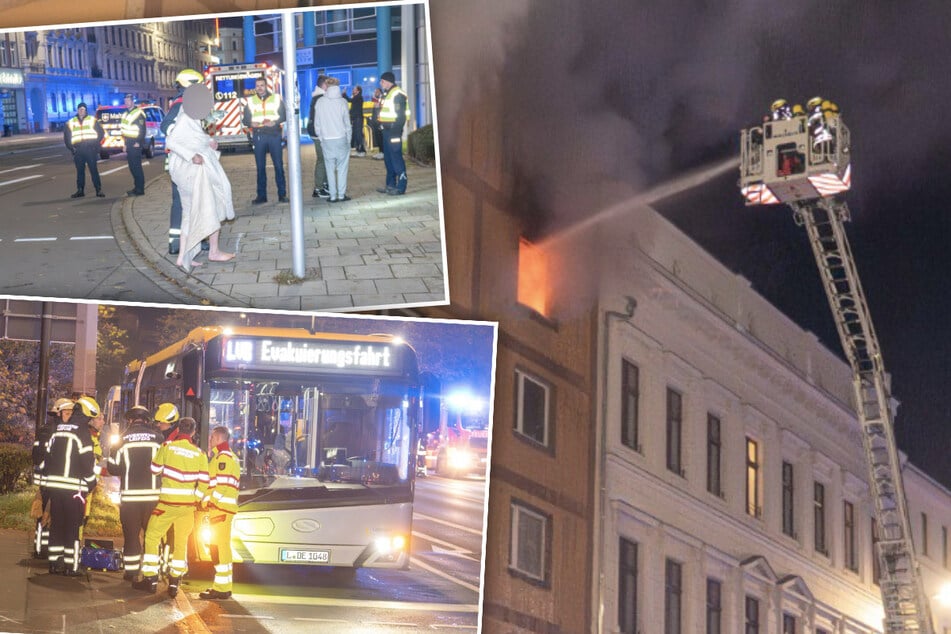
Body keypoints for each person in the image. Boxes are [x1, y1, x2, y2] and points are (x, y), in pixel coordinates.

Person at [134, 417, 209, 597]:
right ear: (193, 432)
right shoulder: (200, 454)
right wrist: (195, 499)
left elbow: (154, 469)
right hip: (187, 508)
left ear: (178, 430)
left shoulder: (167, 447)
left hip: (166, 505)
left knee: (152, 537)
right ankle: (175, 582)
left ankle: (150, 578)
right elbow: (205, 482)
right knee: (181, 542)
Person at [165, 101, 236, 272]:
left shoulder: (189, 116)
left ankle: (183, 257)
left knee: (189, 214)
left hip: (186, 172)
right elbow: (171, 141)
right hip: (192, 172)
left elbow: (192, 138)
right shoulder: (187, 117)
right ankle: (214, 251)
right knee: (214, 204)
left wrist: (208, 141)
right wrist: (192, 156)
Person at [41, 395, 99, 576]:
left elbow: (47, 455)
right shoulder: (82, 433)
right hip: (74, 489)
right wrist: (92, 483)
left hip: (55, 488)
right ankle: (71, 566)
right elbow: (87, 462)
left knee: (57, 524)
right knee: (72, 527)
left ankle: (54, 563)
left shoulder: (58, 428)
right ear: (86, 415)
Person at [107, 406, 162, 582]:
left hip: (130, 497)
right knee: (152, 536)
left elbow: (112, 467)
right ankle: (152, 573)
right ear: (146, 420)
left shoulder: (121, 440)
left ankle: (131, 572)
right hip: (153, 497)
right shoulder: (158, 438)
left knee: (131, 535)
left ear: (130, 420)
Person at [161, 69, 205, 255]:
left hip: (181, 160)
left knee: (183, 202)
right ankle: (188, 241)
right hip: (184, 162)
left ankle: (177, 242)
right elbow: (167, 126)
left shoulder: (186, 104)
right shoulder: (182, 105)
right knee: (191, 201)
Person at [198, 425, 240, 600]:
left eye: (212, 438)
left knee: (219, 549)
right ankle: (224, 586)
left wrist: (209, 502)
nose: (210, 441)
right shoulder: (229, 457)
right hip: (223, 510)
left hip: (220, 510)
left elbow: (221, 486)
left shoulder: (223, 458)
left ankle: (221, 589)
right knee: (222, 548)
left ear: (217, 438)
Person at [31, 398, 70, 558]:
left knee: (41, 515)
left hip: (43, 479)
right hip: (52, 479)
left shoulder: (43, 430)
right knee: (50, 514)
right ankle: (46, 548)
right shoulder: (59, 432)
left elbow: (36, 456)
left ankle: (40, 547)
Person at [243, 77, 288, 204]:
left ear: (266, 86)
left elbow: (283, 115)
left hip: (274, 134)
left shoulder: (275, 98)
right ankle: (261, 196)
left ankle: (282, 194)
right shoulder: (251, 101)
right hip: (259, 135)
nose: (260, 88)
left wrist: (274, 122)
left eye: (262, 85)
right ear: (255, 87)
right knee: (260, 167)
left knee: (278, 166)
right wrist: (251, 123)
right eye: (257, 86)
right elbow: (245, 120)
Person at [314, 77, 352, 203]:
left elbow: (317, 124)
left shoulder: (320, 102)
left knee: (329, 168)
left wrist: (321, 138)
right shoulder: (343, 102)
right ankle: (342, 195)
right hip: (341, 138)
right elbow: (347, 124)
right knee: (342, 168)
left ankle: (333, 196)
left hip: (327, 140)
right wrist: (349, 140)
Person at [376, 72, 409, 196]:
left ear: (388, 81)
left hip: (393, 131)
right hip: (386, 131)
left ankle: (401, 187)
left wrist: (395, 132)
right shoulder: (387, 94)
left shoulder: (397, 94)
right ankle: (390, 185)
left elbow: (401, 116)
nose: (380, 83)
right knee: (388, 159)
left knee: (396, 157)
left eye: (382, 81)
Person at [64, 102, 105, 199]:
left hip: (90, 149)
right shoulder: (71, 122)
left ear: (86, 110)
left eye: (83, 109)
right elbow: (66, 137)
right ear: (77, 110)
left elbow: (101, 133)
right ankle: (80, 190)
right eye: (80, 109)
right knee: (80, 172)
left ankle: (98, 189)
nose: (81, 111)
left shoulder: (92, 120)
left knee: (93, 170)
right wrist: (72, 148)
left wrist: (95, 145)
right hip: (78, 150)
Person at [306, 75, 330, 199]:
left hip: (315, 131)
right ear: (324, 85)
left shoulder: (316, 97)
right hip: (318, 133)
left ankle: (323, 185)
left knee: (324, 159)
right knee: (322, 160)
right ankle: (319, 188)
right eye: (328, 84)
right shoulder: (321, 98)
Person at [121, 94, 146, 196]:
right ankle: (136, 187)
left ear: (132, 102)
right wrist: (125, 144)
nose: (126, 103)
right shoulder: (125, 113)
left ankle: (140, 189)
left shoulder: (138, 113)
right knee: (132, 167)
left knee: (136, 167)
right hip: (129, 142)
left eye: (128, 101)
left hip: (135, 143)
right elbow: (124, 130)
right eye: (125, 101)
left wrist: (138, 142)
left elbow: (142, 129)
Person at [349, 85, 366, 157]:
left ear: (358, 91)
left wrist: (344, 95)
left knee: (358, 134)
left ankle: (362, 150)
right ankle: (358, 149)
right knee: (356, 134)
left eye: (354, 89)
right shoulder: (355, 97)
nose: (353, 90)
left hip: (358, 118)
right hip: (355, 118)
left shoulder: (359, 97)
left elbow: (350, 101)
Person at [370, 88, 384, 159]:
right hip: (375, 121)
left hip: (381, 121)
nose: (376, 92)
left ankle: (383, 152)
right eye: (375, 91)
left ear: (380, 92)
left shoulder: (382, 99)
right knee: (377, 137)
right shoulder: (373, 100)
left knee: (381, 136)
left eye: (377, 91)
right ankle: (380, 151)